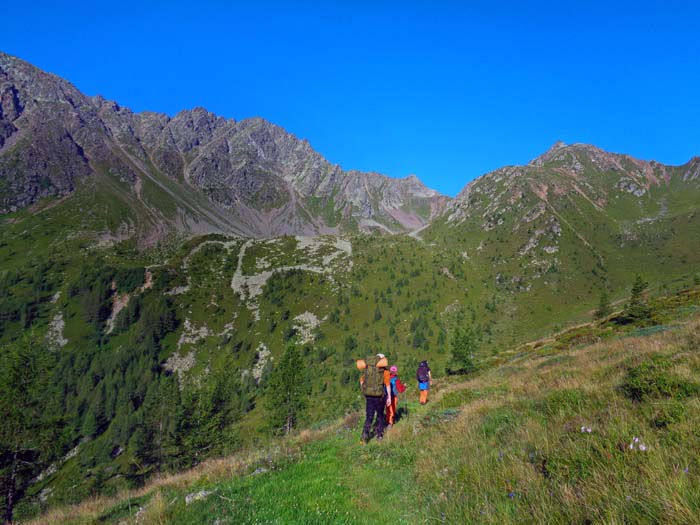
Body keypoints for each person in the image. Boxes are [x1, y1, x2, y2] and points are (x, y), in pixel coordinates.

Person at [358, 353, 391, 444]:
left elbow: (361, 381)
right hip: (379, 397)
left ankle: (364, 438)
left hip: (369, 396)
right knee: (380, 416)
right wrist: (389, 397)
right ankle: (379, 436)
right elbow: (387, 385)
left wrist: (365, 392)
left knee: (369, 417)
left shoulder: (367, 369)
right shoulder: (384, 371)